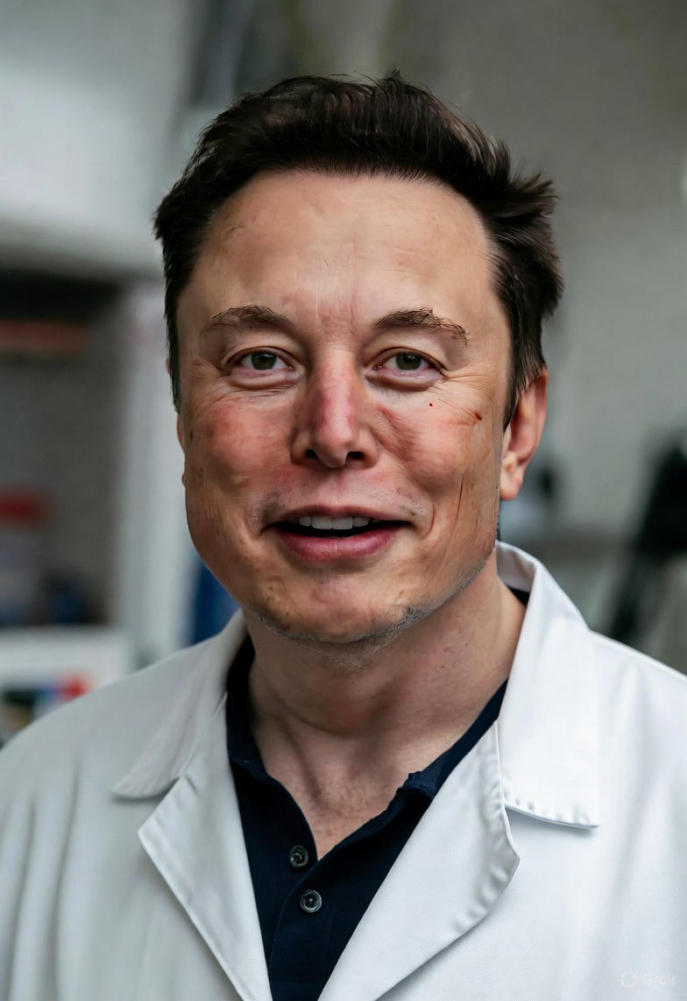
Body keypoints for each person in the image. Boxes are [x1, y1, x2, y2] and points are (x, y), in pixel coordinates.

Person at [0, 74, 685, 1001]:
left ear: (517, 429)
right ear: (181, 413)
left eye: (407, 362)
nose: (332, 432)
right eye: (261, 361)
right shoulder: (30, 805)